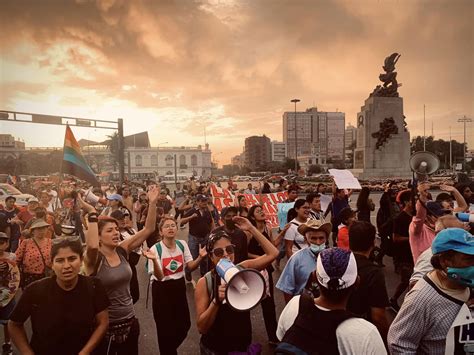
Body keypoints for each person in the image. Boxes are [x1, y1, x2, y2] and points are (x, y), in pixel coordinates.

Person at [82, 187, 159, 355]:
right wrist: (92, 213)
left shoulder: (122, 250)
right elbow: (92, 245)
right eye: (109, 231)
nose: (116, 233)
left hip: (130, 323)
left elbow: (148, 229)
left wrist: (152, 203)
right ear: (99, 236)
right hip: (104, 329)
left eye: (116, 229)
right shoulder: (93, 259)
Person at [8, 236, 109, 355]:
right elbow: (14, 324)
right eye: (60, 260)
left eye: (72, 259)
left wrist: (85, 352)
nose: (66, 266)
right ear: (51, 263)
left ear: (81, 260)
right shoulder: (35, 290)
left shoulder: (94, 286)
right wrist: (27, 353)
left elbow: (103, 322)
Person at [276, 248, 387, 354]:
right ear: (357, 282)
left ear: (314, 277)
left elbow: (281, 337)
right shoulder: (366, 333)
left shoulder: (295, 305)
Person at [195, 216, 279, 354]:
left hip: (242, 345)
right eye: (218, 252)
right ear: (210, 256)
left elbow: (273, 253)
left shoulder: (243, 268)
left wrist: (251, 228)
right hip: (215, 348)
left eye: (229, 249)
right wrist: (215, 302)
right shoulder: (205, 282)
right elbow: (201, 328)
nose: (225, 255)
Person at [388, 228, 474, 354]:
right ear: (445, 261)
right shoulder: (421, 299)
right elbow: (399, 344)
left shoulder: (466, 284)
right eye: (469, 259)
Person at [144, 217, 207, 354]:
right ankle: (168, 351)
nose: (171, 228)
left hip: (179, 287)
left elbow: (190, 266)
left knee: (184, 325)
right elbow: (160, 277)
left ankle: (169, 349)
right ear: (161, 232)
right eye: (167, 226)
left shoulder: (182, 244)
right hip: (161, 290)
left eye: (173, 225)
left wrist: (200, 257)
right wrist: (154, 260)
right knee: (164, 329)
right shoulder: (155, 249)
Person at [347, 221, 390, 342]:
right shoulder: (373, 273)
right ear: (373, 243)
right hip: (363, 333)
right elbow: (378, 316)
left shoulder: (340, 263)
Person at [247, 205, 280, 345]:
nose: (262, 212)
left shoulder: (267, 229)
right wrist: (260, 259)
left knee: (269, 304)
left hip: (266, 270)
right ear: (252, 216)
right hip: (252, 271)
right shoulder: (249, 232)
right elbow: (244, 252)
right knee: (247, 304)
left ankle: (273, 336)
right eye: (258, 211)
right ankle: (245, 339)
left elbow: (271, 246)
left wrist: (283, 233)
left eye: (262, 210)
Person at [276, 219, 331, 303]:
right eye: (313, 238)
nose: (318, 242)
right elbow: (287, 288)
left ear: (326, 239)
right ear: (306, 239)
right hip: (304, 307)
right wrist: (292, 310)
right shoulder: (296, 259)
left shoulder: (333, 258)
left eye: (321, 238)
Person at [110, 209, 142, 304]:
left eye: (124, 218)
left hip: (132, 266)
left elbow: (140, 240)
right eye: (120, 219)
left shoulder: (131, 231)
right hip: (119, 268)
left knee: (135, 294)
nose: (123, 220)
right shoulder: (112, 235)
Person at [390, 189, 414, 311]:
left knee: (410, 280)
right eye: (412, 200)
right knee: (408, 280)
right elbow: (396, 238)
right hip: (403, 255)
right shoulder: (400, 218)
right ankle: (404, 304)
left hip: (413, 253)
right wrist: (411, 238)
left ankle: (395, 300)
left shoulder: (414, 216)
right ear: (406, 202)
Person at [181, 194, 214, 279]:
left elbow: (211, 222)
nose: (205, 203)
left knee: (205, 259)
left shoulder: (207, 211)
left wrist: (211, 233)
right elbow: (181, 221)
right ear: (197, 202)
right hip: (194, 239)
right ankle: (188, 271)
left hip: (205, 238)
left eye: (205, 201)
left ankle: (204, 277)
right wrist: (191, 217)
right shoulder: (193, 210)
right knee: (193, 258)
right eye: (202, 201)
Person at [15, 219, 53, 288]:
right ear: (32, 231)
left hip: (47, 276)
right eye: (38, 229)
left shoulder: (51, 242)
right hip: (29, 278)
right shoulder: (26, 242)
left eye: (44, 228)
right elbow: (16, 259)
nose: (41, 231)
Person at [0, 232, 16, 355]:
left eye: (2, 242)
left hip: (8, 293)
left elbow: (15, 275)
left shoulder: (12, 256)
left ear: (6, 244)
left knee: (8, 321)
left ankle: (7, 343)